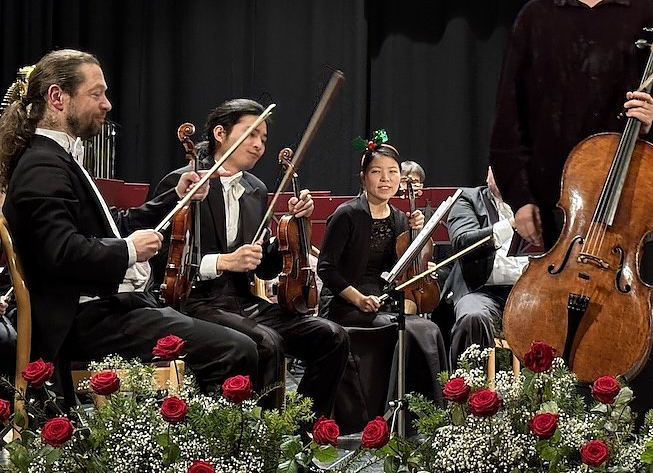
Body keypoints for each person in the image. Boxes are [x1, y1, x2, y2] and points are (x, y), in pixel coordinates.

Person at [488, 0, 653, 409]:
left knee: (631, 355)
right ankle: (550, 443)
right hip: (559, 211)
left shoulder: (646, 15)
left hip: (628, 212)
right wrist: (520, 199)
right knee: (549, 352)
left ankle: (634, 444)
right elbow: (508, 118)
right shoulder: (535, 18)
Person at [0, 49, 256, 402]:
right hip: (82, 319)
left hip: (107, 308)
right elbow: (59, 252)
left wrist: (173, 198)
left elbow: (111, 225)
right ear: (57, 97)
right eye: (96, 94)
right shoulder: (43, 165)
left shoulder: (57, 158)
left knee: (245, 343)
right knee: (235, 349)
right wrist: (129, 249)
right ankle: (204, 436)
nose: (107, 104)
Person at [150, 99, 350, 419]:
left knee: (332, 337)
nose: (259, 145)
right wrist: (222, 262)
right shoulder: (183, 182)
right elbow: (160, 260)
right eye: (251, 134)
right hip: (193, 301)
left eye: (263, 138)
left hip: (242, 302)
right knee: (267, 342)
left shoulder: (256, 189)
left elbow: (264, 268)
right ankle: (263, 440)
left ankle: (301, 432)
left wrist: (292, 229)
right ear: (220, 134)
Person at [317, 139, 449, 405]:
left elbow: (401, 271)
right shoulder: (346, 214)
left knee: (429, 330)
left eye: (392, 172)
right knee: (413, 331)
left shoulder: (399, 218)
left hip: (382, 303)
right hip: (345, 304)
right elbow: (326, 268)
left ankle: (426, 413)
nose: (385, 179)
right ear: (363, 177)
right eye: (377, 172)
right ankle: (393, 409)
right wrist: (358, 299)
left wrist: (416, 236)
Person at [441, 167, 527, 368]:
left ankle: (553, 386)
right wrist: (511, 224)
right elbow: (462, 242)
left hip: (529, 293)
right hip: (481, 291)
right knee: (472, 317)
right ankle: (470, 386)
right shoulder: (467, 199)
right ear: (489, 174)